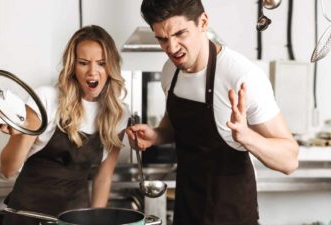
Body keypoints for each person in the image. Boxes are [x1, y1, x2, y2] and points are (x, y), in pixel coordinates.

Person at [126, 0, 299, 224]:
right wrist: (157, 135)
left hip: (231, 214)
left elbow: (290, 160)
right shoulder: (170, 72)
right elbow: (173, 125)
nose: (172, 47)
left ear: (203, 22)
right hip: (187, 209)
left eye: (180, 34)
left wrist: (247, 137)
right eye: (162, 38)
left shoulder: (241, 76)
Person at [0, 25, 129, 225]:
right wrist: (18, 135)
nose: (92, 72)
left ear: (111, 67)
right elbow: (8, 170)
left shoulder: (118, 113)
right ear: (72, 67)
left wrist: (95, 220)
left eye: (101, 63)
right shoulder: (46, 99)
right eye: (83, 63)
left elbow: (103, 177)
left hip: (74, 219)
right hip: (27, 216)